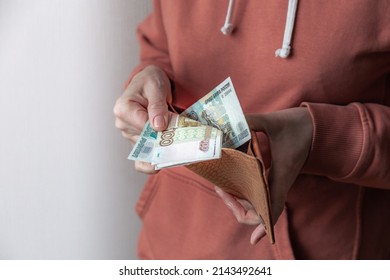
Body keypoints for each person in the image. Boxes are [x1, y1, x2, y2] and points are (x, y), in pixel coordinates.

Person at [114, 0, 390, 259]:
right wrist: (150, 79)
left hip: (317, 250)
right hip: (169, 242)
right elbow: (161, 46)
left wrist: (322, 137)